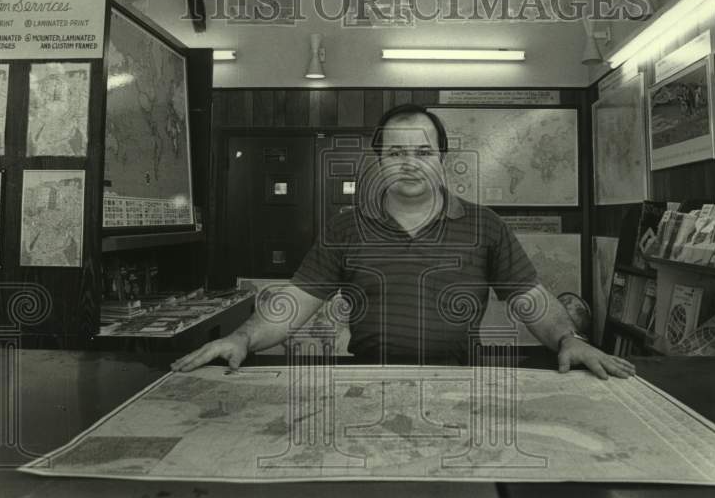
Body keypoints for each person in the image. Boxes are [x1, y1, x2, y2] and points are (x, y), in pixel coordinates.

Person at [172, 104, 635, 380]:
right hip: (366, 382)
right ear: (379, 161)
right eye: (395, 153)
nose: (409, 163)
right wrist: (241, 338)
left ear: (442, 160)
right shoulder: (346, 227)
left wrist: (568, 339)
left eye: (422, 152)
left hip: (459, 383)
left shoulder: (484, 225)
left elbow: (531, 299)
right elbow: (295, 302)